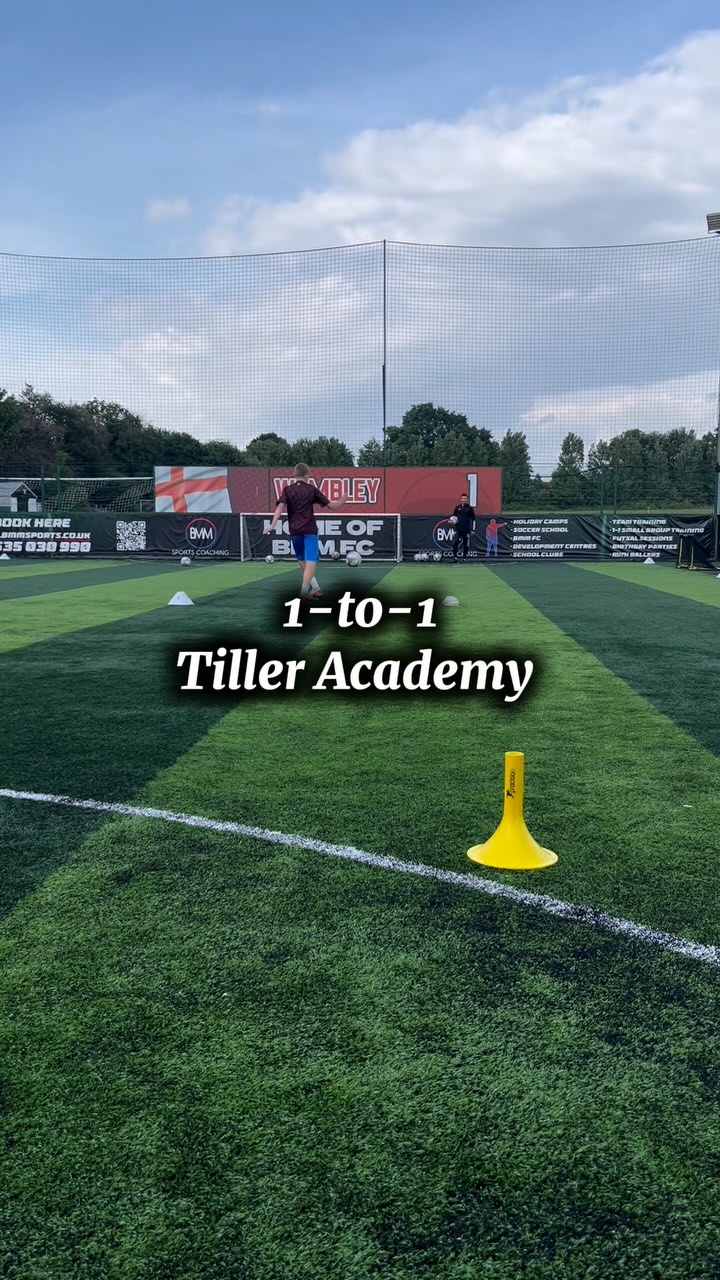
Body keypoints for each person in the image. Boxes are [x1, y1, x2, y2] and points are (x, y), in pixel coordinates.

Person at [266, 462, 344, 597]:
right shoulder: (311, 489)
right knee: (311, 560)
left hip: (294, 530)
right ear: (307, 475)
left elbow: (280, 507)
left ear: (294, 474)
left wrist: (272, 525)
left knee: (302, 560)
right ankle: (304, 593)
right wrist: (344, 499)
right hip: (309, 529)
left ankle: (316, 588)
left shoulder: (287, 490)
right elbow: (332, 506)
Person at [450, 493, 475, 561]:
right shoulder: (457, 507)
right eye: (462, 498)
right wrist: (451, 521)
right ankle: (455, 557)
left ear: (467, 499)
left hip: (466, 529)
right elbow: (453, 516)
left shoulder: (469, 508)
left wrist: (473, 529)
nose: (464, 500)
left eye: (465, 498)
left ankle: (464, 557)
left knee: (465, 544)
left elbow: (473, 519)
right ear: (460, 499)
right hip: (458, 529)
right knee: (455, 542)